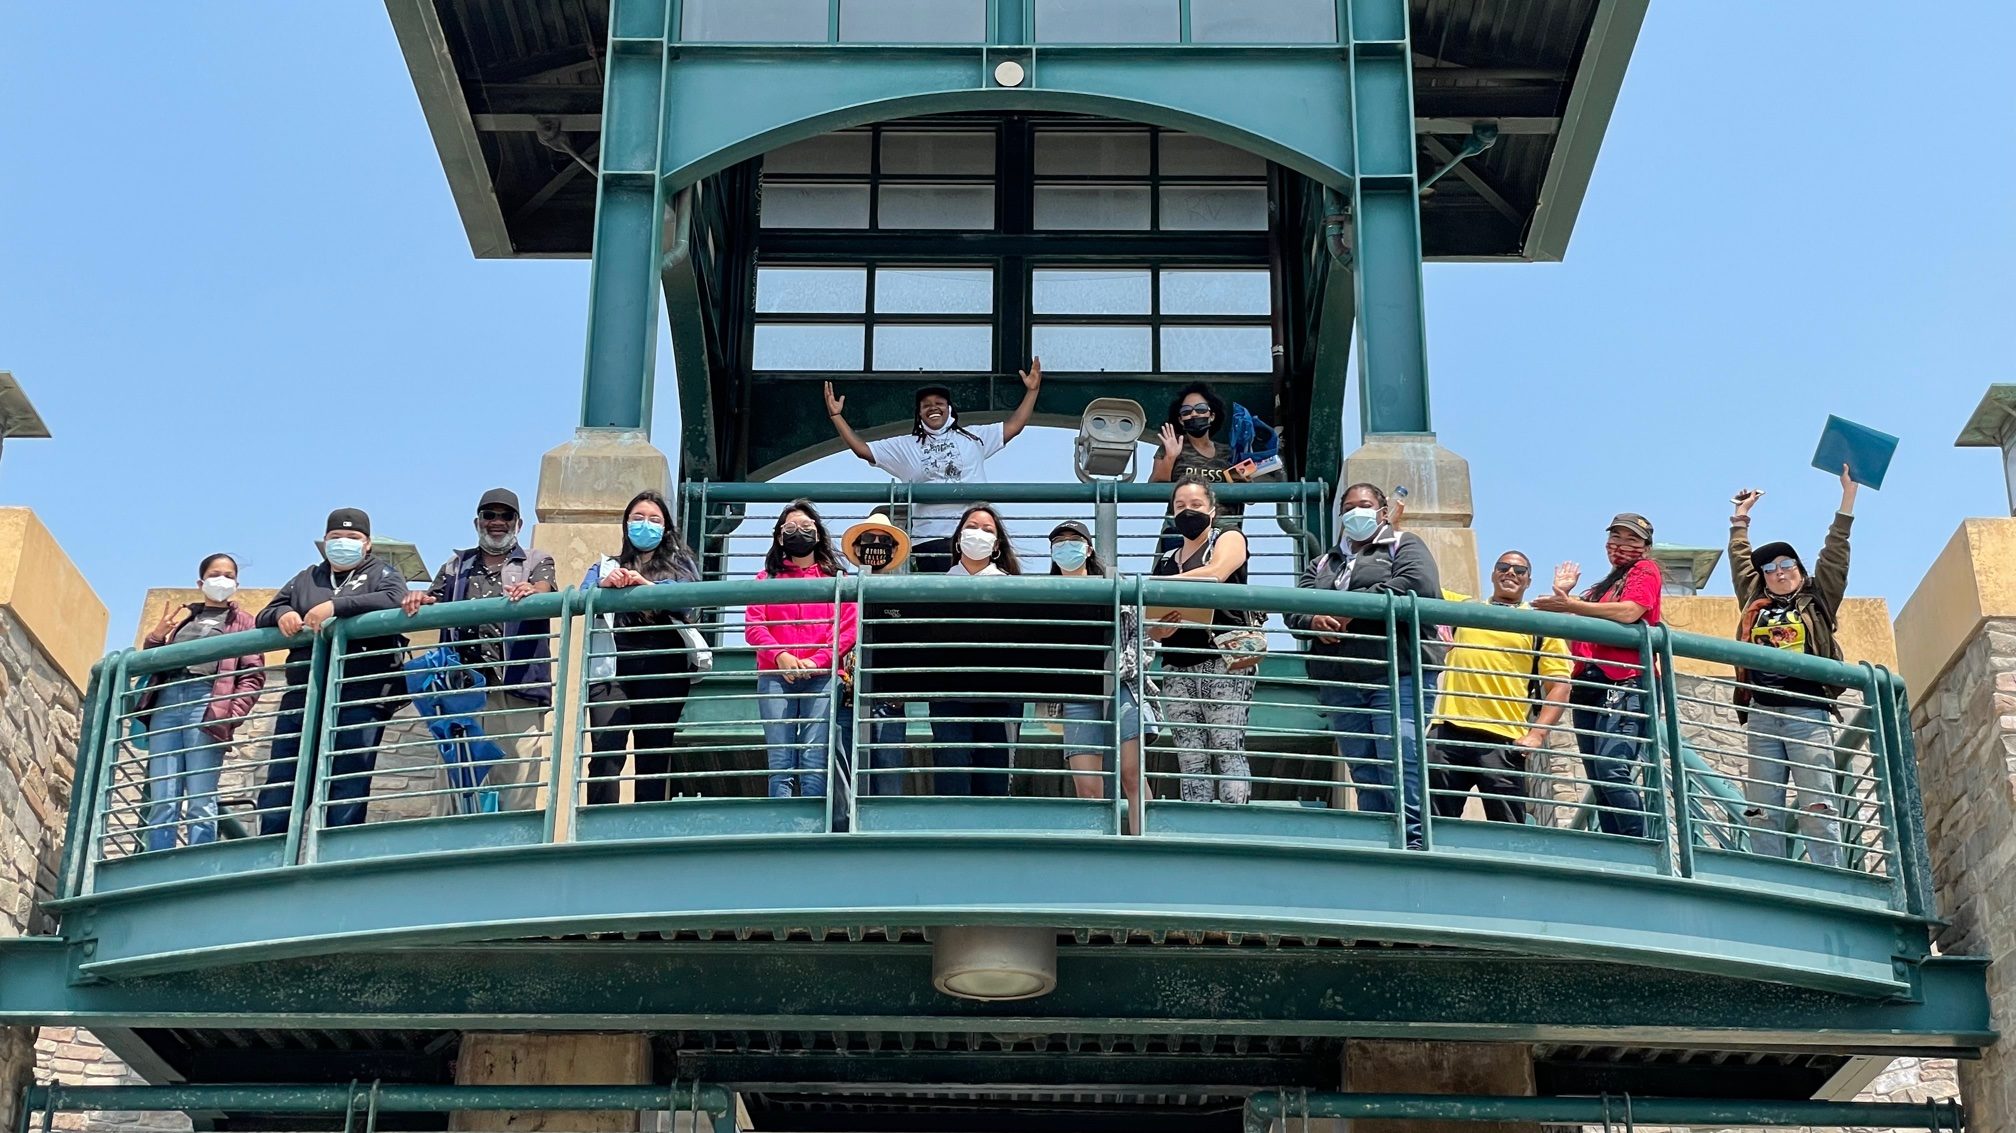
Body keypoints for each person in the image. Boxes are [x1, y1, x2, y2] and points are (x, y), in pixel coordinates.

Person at [1286, 483, 1441, 846]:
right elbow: (1295, 607)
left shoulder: (1404, 545)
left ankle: (1414, 839)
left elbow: (1415, 584)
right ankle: (1379, 838)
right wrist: (1313, 621)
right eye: (1349, 506)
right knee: (1364, 766)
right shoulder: (1322, 562)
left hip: (1396, 671)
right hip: (1340, 679)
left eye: (1366, 505)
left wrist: (1345, 609)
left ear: (1383, 510)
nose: (1357, 512)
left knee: (1400, 754)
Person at [1726, 467, 1857, 867]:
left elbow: (1835, 552)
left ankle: (1829, 875)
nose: (1778, 572)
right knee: (1763, 808)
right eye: (1769, 568)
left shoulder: (1818, 598)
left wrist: (1847, 499)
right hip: (1764, 712)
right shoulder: (1754, 599)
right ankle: (1772, 877)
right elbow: (1738, 560)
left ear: (1799, 569)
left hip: (1807, 710)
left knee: (1817, 803)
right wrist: (1740, 519)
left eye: (1786, 564)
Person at [401, 488, 557, 812]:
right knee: (457, 784)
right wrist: (419, 600)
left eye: (505, 516)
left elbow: (544, 589)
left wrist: (534, 591)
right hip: (462, 689)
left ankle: (512, 855)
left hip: (516, 690)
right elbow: (432, 599)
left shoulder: (536, 561)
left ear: (518, 522)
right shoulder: (456, 566)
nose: (497, 522)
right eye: (490, 515)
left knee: (518, 781)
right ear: (477, 522)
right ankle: (454, 855)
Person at [255, 510, 409, 834]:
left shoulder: (384, 573)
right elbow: (265, 613)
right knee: (283, 781)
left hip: (360, 695)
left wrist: (336, 608)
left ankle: (333, 859)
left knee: (347, 781)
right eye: (336, 537)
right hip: (304, 693)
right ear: (325, 542)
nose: (343, 543)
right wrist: (283, 613)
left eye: (353, 538)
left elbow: (395, 599)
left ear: (367, 544)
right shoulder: (306, 578)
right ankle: (270, 855)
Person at [822, 361, 1043, 574]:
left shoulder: (974, 437)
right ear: (919, 413)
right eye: (926, 405)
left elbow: (1014, 426)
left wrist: (1032, 391)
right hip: (930, 539)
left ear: (949, 408)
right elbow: (863, 450)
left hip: (973, 537)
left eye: (939, 403)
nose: (933, 408)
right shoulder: (905, 446)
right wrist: (836, 416)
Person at [1532, 513, 1664, 838]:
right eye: (1616, 538)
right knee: (1599, 777)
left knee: (1611, 768)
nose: (1620, 545)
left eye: (1631, 539)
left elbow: (1632, 610)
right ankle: (1618, 847)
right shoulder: (1601, 588)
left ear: (1646, 548)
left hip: (1624, 680)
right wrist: (1565, 597)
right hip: (1589, 686)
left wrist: (1573, 606)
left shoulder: (1644, 570)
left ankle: (1640, 845)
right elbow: (1576, 634)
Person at [1428, 551, 1572, 825]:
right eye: (1503, 567)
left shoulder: (1540, 624)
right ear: (1493, 574)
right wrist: (1393, 531)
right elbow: (1421, 580)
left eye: (1520, 571)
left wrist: (1537, 735)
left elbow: (1560, 687)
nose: (1510, 573)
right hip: (1448, 732)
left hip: (1504, 739)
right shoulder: (1466, 608)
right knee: (1435, 826)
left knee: (1508, 830)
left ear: (1528, 581)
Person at [135, 554, 266, 850]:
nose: (222, 580)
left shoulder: (243, 621)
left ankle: (199, 861)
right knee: (164, 794)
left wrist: (229, 713)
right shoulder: (184, 618)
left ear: (237, 583)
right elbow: (151, 662)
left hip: (206, 702)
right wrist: (156, 638)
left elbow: (253, 675)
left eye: (229, 575)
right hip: (167, 700)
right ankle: (159, 859)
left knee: (200, 794)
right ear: (201, 582)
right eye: (215, 573)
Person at [580, 490, 703, 805]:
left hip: (664, 665)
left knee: (653, 756)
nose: (645, 525)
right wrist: (604, 587)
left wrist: (649, 588)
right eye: (637, 518)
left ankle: (647, 830)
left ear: (665, 528)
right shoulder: (606, 566)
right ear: (626, 524)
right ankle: (598, 831)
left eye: (654, 519)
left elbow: (693, 598)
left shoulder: (681, 564)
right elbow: (581, 596)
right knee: (606, 752)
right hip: (613, 668)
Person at [1148, 478, 1255, 805]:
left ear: (1211, 508)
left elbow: (1217, 572)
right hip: (1177, 664)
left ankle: (1232, 824)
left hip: (1223, 658)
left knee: (1226, 746)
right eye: (1180, 506)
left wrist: (1162, 585)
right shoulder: (1166, 559)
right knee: (1190, 755)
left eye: (1195, 505)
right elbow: (1152, 624)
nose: (1187, 511)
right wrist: (1159, 630)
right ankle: (1197, 824)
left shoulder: (1229, 537)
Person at [746, 501, 856, 799]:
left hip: (822, 675)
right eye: (791, 528)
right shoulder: (766, 579)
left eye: (806, 527)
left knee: (814, 757)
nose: (799, 533)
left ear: (818, 534)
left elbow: (847, 629)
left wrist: (815, 662)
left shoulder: (837, 580)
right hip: (775, 674)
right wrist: (780, 655)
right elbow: (754, 626)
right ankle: (780, 826)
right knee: (780, 758)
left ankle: (811, 826)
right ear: (780, 537)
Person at [1047, 521, 1152, 833]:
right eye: (1059, 541)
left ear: (1088, 547)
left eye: (1074, 540)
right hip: (1076, 696)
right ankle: (1095, 852)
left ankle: (1143, 843)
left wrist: (1118, 670)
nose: (1066, 546)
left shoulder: (1114, 584)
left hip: (1120, 688)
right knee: (1087, 789)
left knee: (1132, 775)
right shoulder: (1045, 596)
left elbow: (1141, 640)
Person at [929, 503, 1023, 796]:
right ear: (957, 539)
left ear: (996, 545)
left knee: (994, 777)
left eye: (987, 530)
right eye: (971, 527)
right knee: (951, 770)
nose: (978, 534)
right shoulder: (934, 588)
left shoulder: (1015, 588)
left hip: (1000, 696)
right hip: (949, 694)